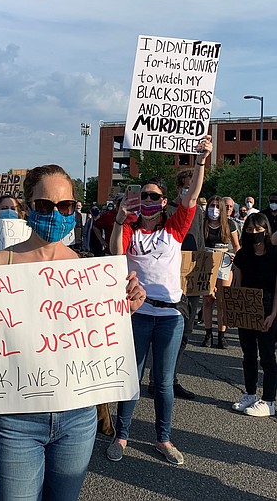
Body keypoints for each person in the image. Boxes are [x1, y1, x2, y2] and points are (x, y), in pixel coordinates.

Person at [0, 165, 146, 501]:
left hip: (78, 417)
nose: (56, 214)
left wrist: (126, 306)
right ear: (29, 209)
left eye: (66, 206)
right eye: (45, 206)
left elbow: (97, 334)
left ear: (75, 208)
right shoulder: (0, 264)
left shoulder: (87, 269)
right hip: (17, 419)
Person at [107, 135, 212, 466]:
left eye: (154, 196)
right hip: (138, 315)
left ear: (165, 202)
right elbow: (114, 253)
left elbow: (193, 193)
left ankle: (163, 439)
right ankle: (121, 434)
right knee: (132, 379)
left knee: (164, 383)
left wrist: (201, 159)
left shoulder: (175, 229)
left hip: (170, 317)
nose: (148, 200)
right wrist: (122, 220)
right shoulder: (132, 230)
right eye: (143, 195)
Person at [148, 169, 203, 400]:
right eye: (189, 186)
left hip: (192, 280)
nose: (193, 190)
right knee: (166, 333)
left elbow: (200, 240)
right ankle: (157, 380)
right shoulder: (168, 211)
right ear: (181, 187)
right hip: (170, 282)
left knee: (185, 333)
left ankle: (171, 379)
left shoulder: (198, 212)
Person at [231, 212, 277, 417]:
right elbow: (237, 285)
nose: (254, 233)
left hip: (267, 309)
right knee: (248, 354)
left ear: (266, 230)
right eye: (249, 230)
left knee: (267, 356)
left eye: (258, 230)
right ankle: (250, 393)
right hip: (247, 309)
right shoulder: (242, 255)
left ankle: (269, 400)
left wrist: (273, 314)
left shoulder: (274, 254)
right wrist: (235, 311)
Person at [201, 195, 240, 348]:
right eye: (212, 206)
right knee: (207, 300)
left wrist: (237, 261)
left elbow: (236, 246)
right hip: (206, 262)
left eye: (218, 206)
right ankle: (208, 334)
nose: (214, 210)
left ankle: (221, 335)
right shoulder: (202, 223)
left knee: (222, 300)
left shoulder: (229, 224)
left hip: (224, 262)